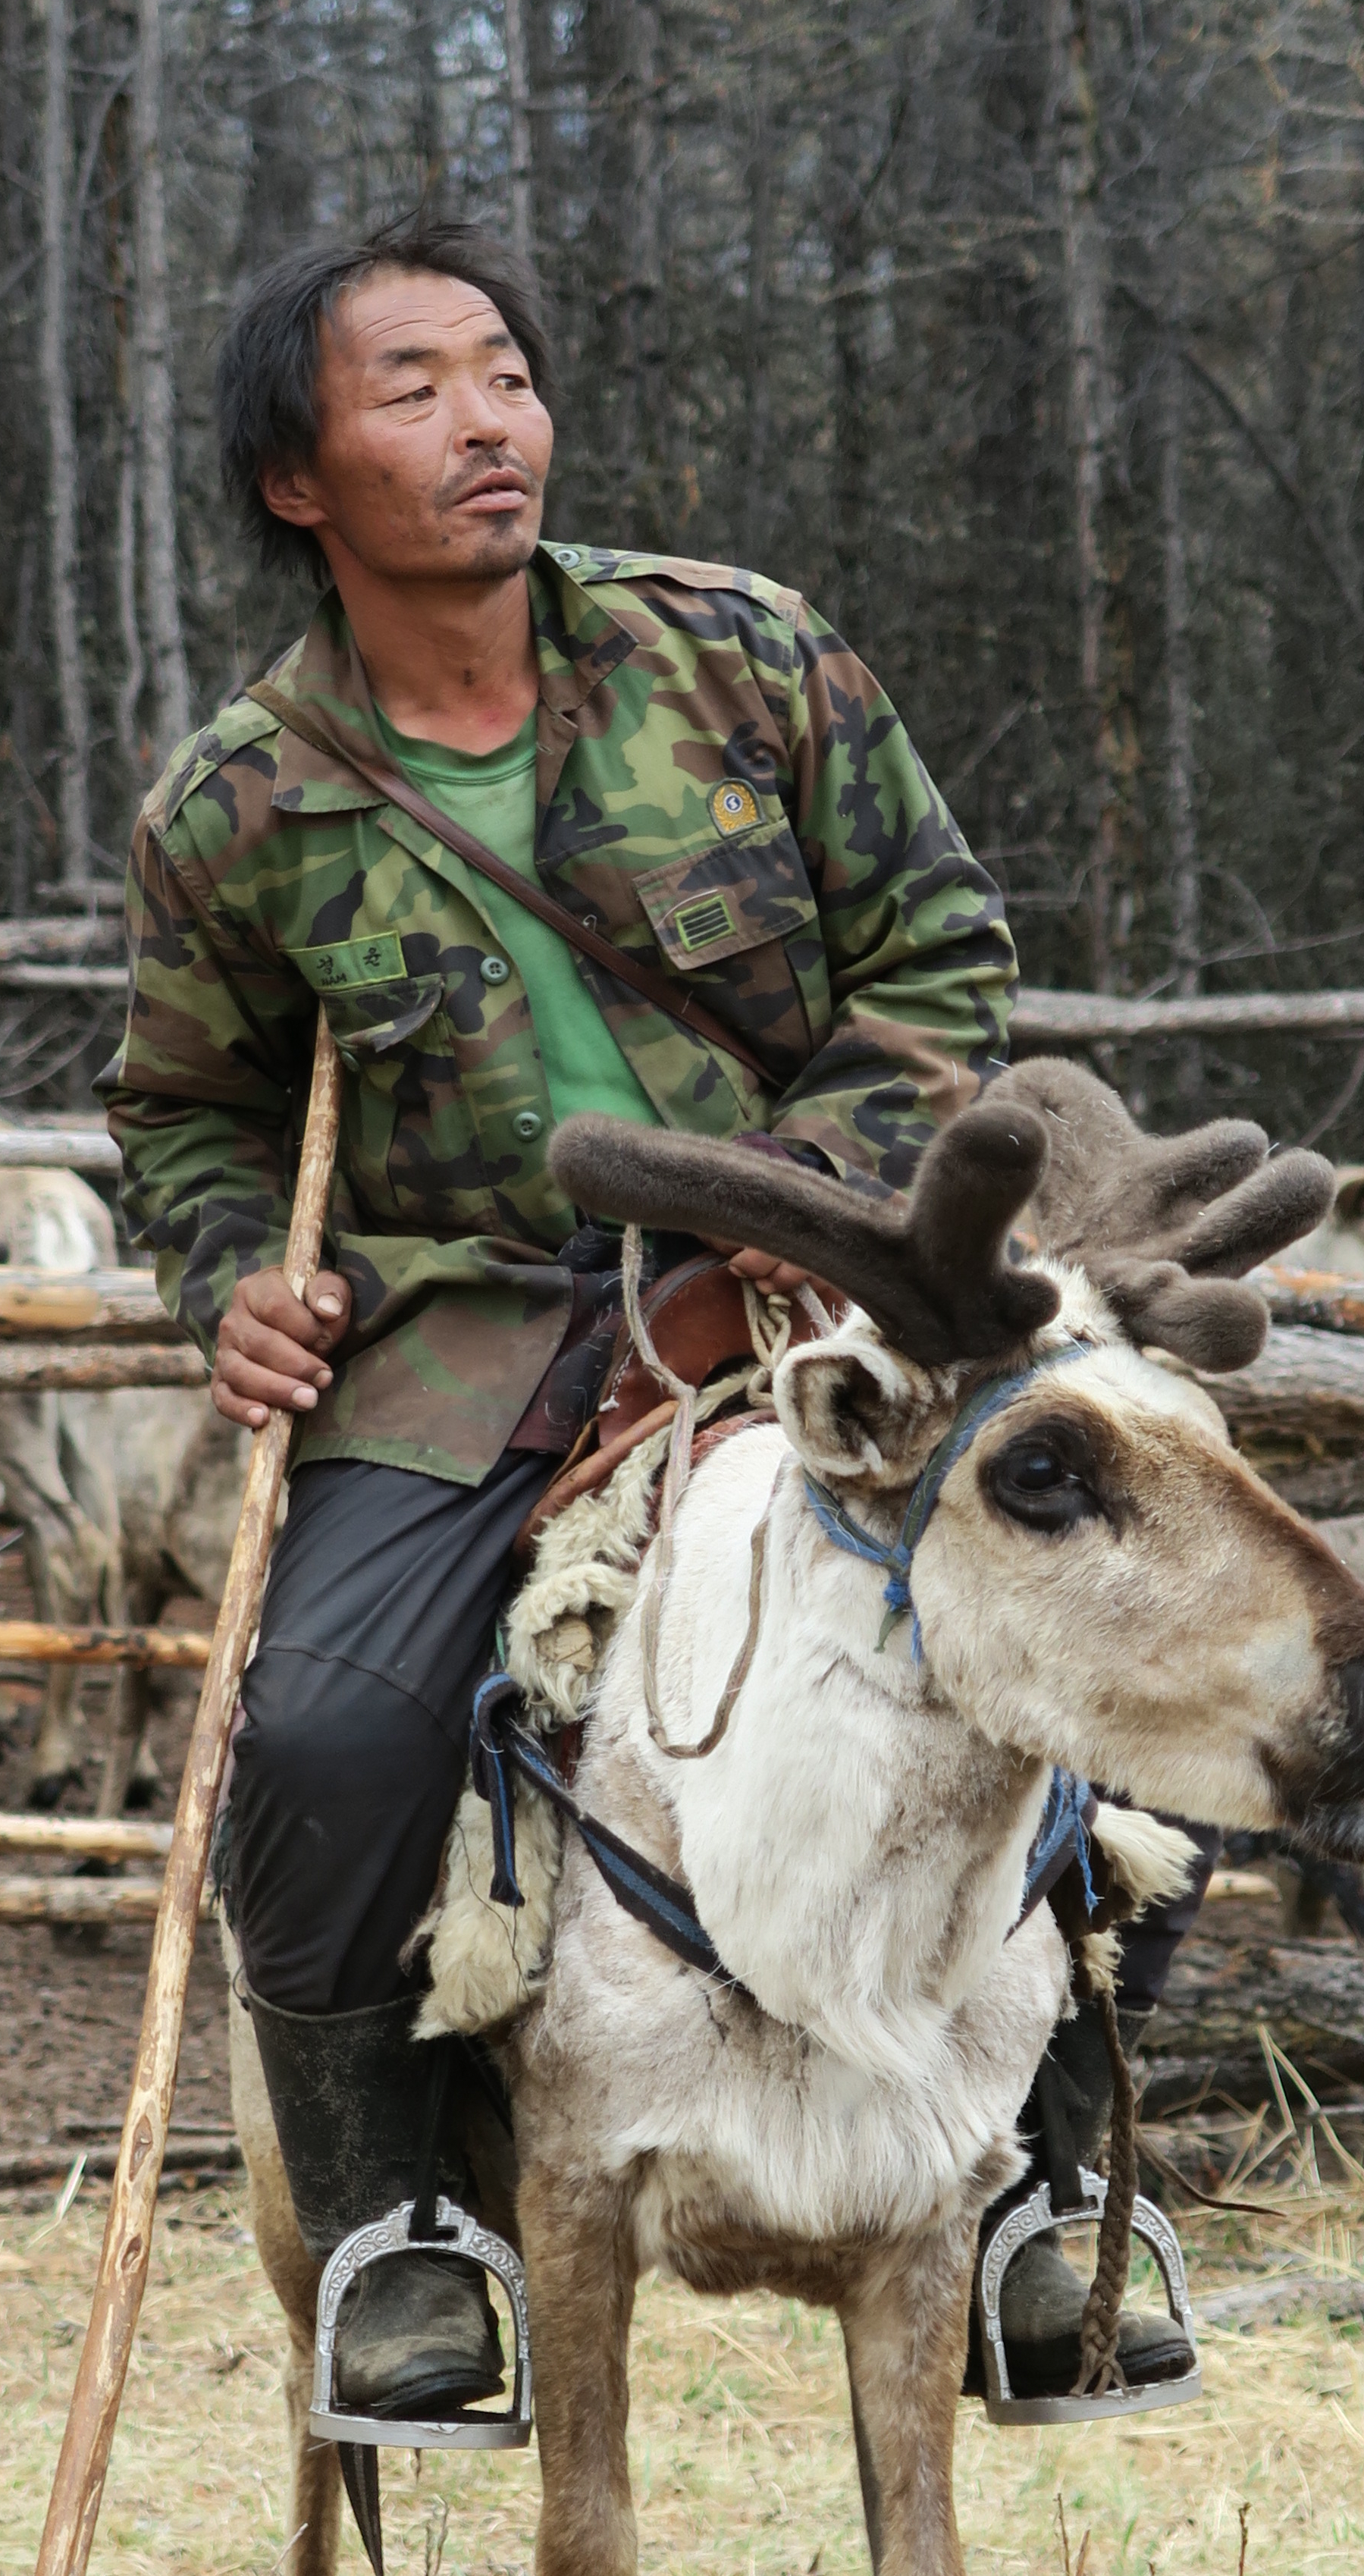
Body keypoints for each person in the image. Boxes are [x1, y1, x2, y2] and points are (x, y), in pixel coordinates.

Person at [104, 213, 1199, 2428]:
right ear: (295, 479)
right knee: (315, 1743)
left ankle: (1043, 2182)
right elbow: (186, 1108)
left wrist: (807, 1198)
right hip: (462, 1335)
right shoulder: (240, 808)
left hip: (821, 1281)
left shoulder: (745, 657)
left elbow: (935, 950)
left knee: (1088, 1622)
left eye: (500, 369)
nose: (482, 421)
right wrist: (231, 1275)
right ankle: (403, 2221)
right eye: (408, 387)